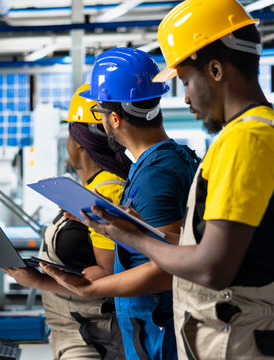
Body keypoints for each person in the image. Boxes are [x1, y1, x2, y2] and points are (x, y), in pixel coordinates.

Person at [73, 1, 274, 359]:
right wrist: (146, 233)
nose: (184, 97)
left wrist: (132, 237)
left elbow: (212, 267)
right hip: (249, 334)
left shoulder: (246, 140)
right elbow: (231, 248)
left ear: (214, 69)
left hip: (236, 340)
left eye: (185, 80)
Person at [43, 47, 200, 360]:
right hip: (152, 326)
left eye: (100, 113)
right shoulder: (167, 160)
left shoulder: (156, 173)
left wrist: (89, 289)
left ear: (114, 119)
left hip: (157, 331)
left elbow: (167, 268)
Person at [4, 84, 130, 360]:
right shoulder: (91, 187)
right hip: (72, 331)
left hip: (92, 338)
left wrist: (38, 280)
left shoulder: (107, 191)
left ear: (81, 143)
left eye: (70, 136)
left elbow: (108, 275)